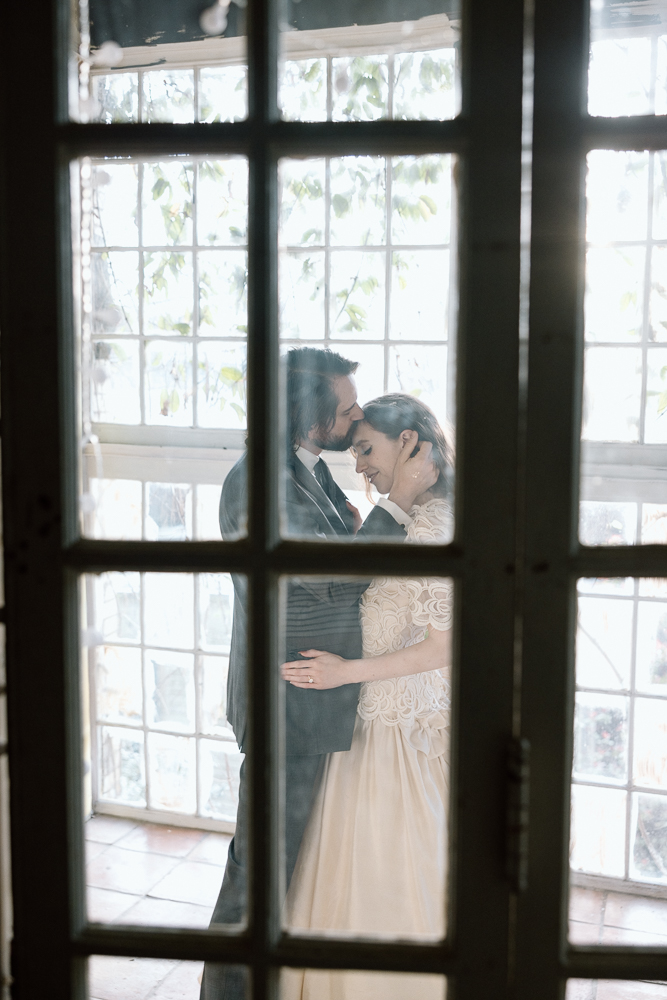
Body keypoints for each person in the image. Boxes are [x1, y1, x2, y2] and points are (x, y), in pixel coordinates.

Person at [201, 355, 437, 1000]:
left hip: (321, 700)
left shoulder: (313, 477)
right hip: (290, 703)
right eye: (345, 405)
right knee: (258, 874)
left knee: (291, 871)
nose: (356, 415)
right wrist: (396, 505)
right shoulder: (257, 481)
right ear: (306, 413)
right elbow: (324, 576)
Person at [280, 393, 454, 1000]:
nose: (358, 465)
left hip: (393, 735)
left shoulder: (435, 527)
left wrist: (345, 671)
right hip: (369, 726)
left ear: (407, 443)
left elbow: (442, 647)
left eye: (365, 448)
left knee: (390, 882)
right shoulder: (410, 516)